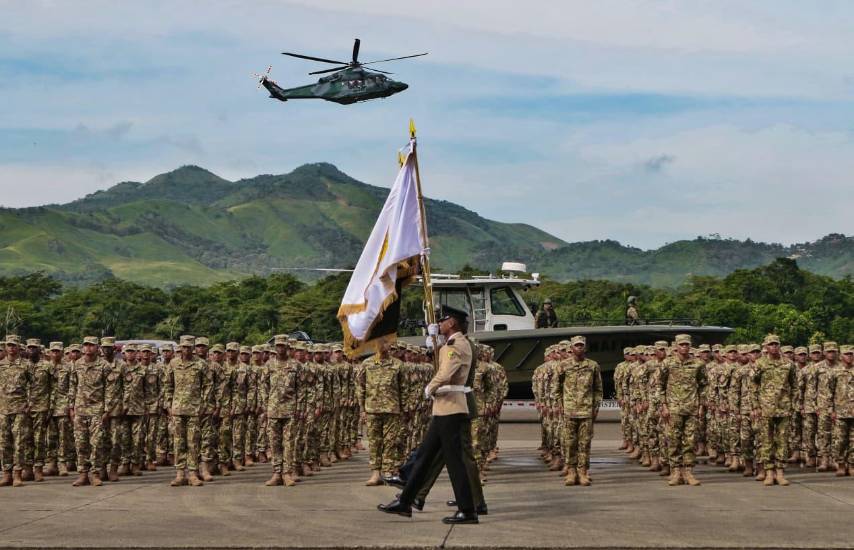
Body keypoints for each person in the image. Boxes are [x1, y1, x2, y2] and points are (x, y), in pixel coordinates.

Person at [378, 306, 480, 525]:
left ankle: (468, 510)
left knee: (454, 462)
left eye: (442, 321)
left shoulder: (456, 344)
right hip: (445, 408)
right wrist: (433, 341)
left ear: (451, 323)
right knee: (424, 456)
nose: (439, 324)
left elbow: (446, 373)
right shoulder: (451, 344)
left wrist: (429, 388)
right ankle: (405, 501)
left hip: (451, 408)